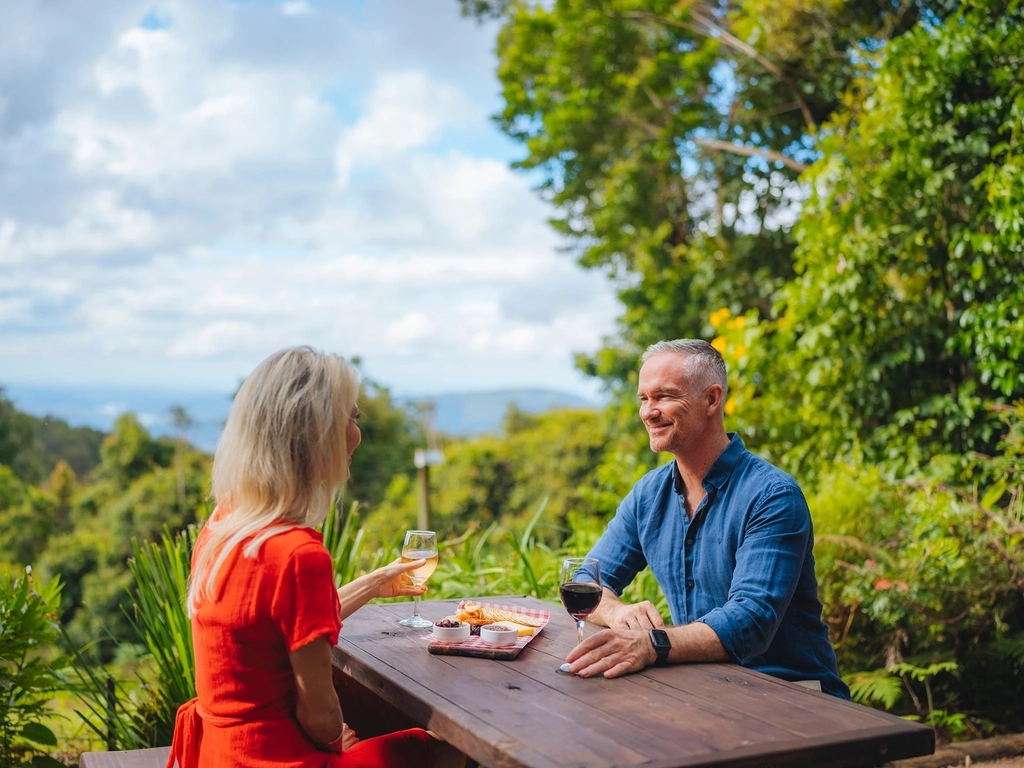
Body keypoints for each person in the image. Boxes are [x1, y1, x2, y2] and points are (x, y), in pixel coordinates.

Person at [167, 346, 464, 768]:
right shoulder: (298, 552)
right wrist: (334, 739)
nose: (356, 434)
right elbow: (320, 716)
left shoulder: (228, 524)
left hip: (217, 754)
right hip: (273, 761)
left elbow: (281, 630)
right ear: (315, 432)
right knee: (446, 748)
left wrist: (376, 583)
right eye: (352, 417)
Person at [565, 339, 850, 699]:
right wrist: (617, 614)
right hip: (706, 690)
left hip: (793, 693)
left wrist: (652, 643)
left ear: (712, 400)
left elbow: (750, 621)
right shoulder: (648, 496)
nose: (649, 412)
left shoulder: (772, 495)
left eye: (664, 396)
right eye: (643, 398)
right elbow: (586, 580)